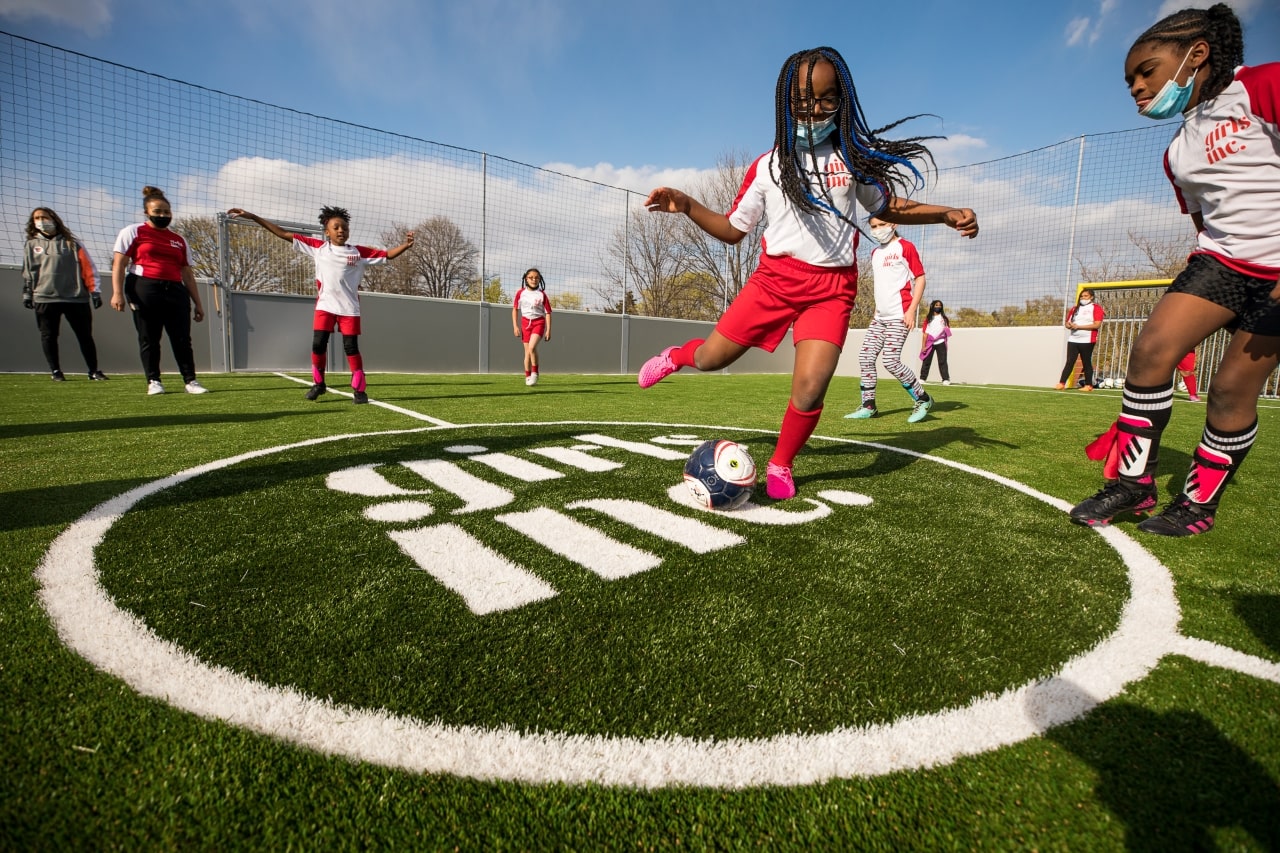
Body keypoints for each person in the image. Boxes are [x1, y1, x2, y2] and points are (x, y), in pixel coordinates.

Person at [636, 46, 978, 500]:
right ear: (785, 102)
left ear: (843, 102)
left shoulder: (852, 162)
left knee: (811, 387)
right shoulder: (768, 167)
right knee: (711, 359)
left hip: (831, 290)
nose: (814, 110)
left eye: (826, 99)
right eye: (802, 100)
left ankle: (781, 462)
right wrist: (688, 205)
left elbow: (888, 205)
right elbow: (734, 230)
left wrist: (944, 213)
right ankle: (677, 355)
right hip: (773, 282)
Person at [1070, 4, 1278, 537]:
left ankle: (1197, 505)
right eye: (1129, 81)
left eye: (1146, 72)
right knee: (1149, 350)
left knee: (1231, 389)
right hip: (1222, 262)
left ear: (1196, 55)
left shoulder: (1264, 85)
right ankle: (1135, 484)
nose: (1136, 87)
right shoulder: (1178, 152)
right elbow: (1207, 218)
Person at [227, 206, 414, 403]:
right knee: (318, 345)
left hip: (350, 309)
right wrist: (254, 216)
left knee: (351, 348)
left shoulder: (359, 253)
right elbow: (282, 233)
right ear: (327, 231)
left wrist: (406, 245)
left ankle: (359, 391)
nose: (341, 230)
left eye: (344, 228)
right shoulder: (318, 248)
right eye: (336, 227)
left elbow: (387, 255)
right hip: (325, 306)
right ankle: (319, 384)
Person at [111, 186, 208, 395]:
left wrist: (198, 303)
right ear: (146, 212)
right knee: (149, 337)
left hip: (175, 290)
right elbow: (119, 263)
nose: (163, 215)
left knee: (182, 338)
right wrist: (117, 292)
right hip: (144, 287)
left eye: (166, 212)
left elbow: (188, 274)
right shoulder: (133, 231)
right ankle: (153, 380)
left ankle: (190, 381)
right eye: (158, 212)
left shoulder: (179, 240)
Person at [845, 217, 933, 421]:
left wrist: (911, 310)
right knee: (866, 358)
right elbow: (883, 287)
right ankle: (868, 406)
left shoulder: (905, 247)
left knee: (891, 361)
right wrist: (877, 311)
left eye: (881, 225)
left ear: (894, 224)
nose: (877, 230)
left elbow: (920, 277)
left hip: (899, 316)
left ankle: (923, 398)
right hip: (880, 318)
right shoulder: (876, 253)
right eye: (874, 227)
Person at [21, 207, 108, 382]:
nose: (41, 221)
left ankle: (93, 371)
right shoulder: (31, 245)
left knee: (85, 335)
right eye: (37, 218)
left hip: (75, 298)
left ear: (53, 218)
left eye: (44, 217)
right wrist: (27, 294)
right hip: (44, 297)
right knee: (49, 335)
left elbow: (88, 268)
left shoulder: (72, 243)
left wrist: (95, 292)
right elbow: (28, 271)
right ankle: (56, 371)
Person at [1055, 289, 1103, 391]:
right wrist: (1070, 325)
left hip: (1087, 339)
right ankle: (1061, 383)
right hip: (1073, 339)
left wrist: (1079, 327)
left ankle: (1089, 385)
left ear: (1091, 297)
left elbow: (1097, 324)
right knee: (1070, 361)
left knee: (1086, 362)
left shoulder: (1096, 308)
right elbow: (1067, 323)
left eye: (1085, 296)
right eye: (1081, 296)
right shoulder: (1074, 308)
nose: (1083, 298)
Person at [512, 268, 552, 385]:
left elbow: (548, 313)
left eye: (537, 278)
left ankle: (535, 373)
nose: (534, 280)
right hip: (525, 323)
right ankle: (527, 376)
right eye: (531, 277)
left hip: (538, 322)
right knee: (527, 353)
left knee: (532, 347)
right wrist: (515, 326)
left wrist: (548, 330)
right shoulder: (520, 293)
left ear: (540, 280)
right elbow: (515, 309)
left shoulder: (542, 294)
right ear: (526, 278)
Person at [919, 299, 952, 385]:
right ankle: (922, 378)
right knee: (926, 361)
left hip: (941, 342)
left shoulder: (944, 318)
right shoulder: (928, 319)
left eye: (940, 305)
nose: (938, 307)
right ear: (932, 306)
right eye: (936, 305)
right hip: (930, 343)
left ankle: (945, 379)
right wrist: (923, 346)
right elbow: (925, 333)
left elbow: (947, 331)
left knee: (942, 361)